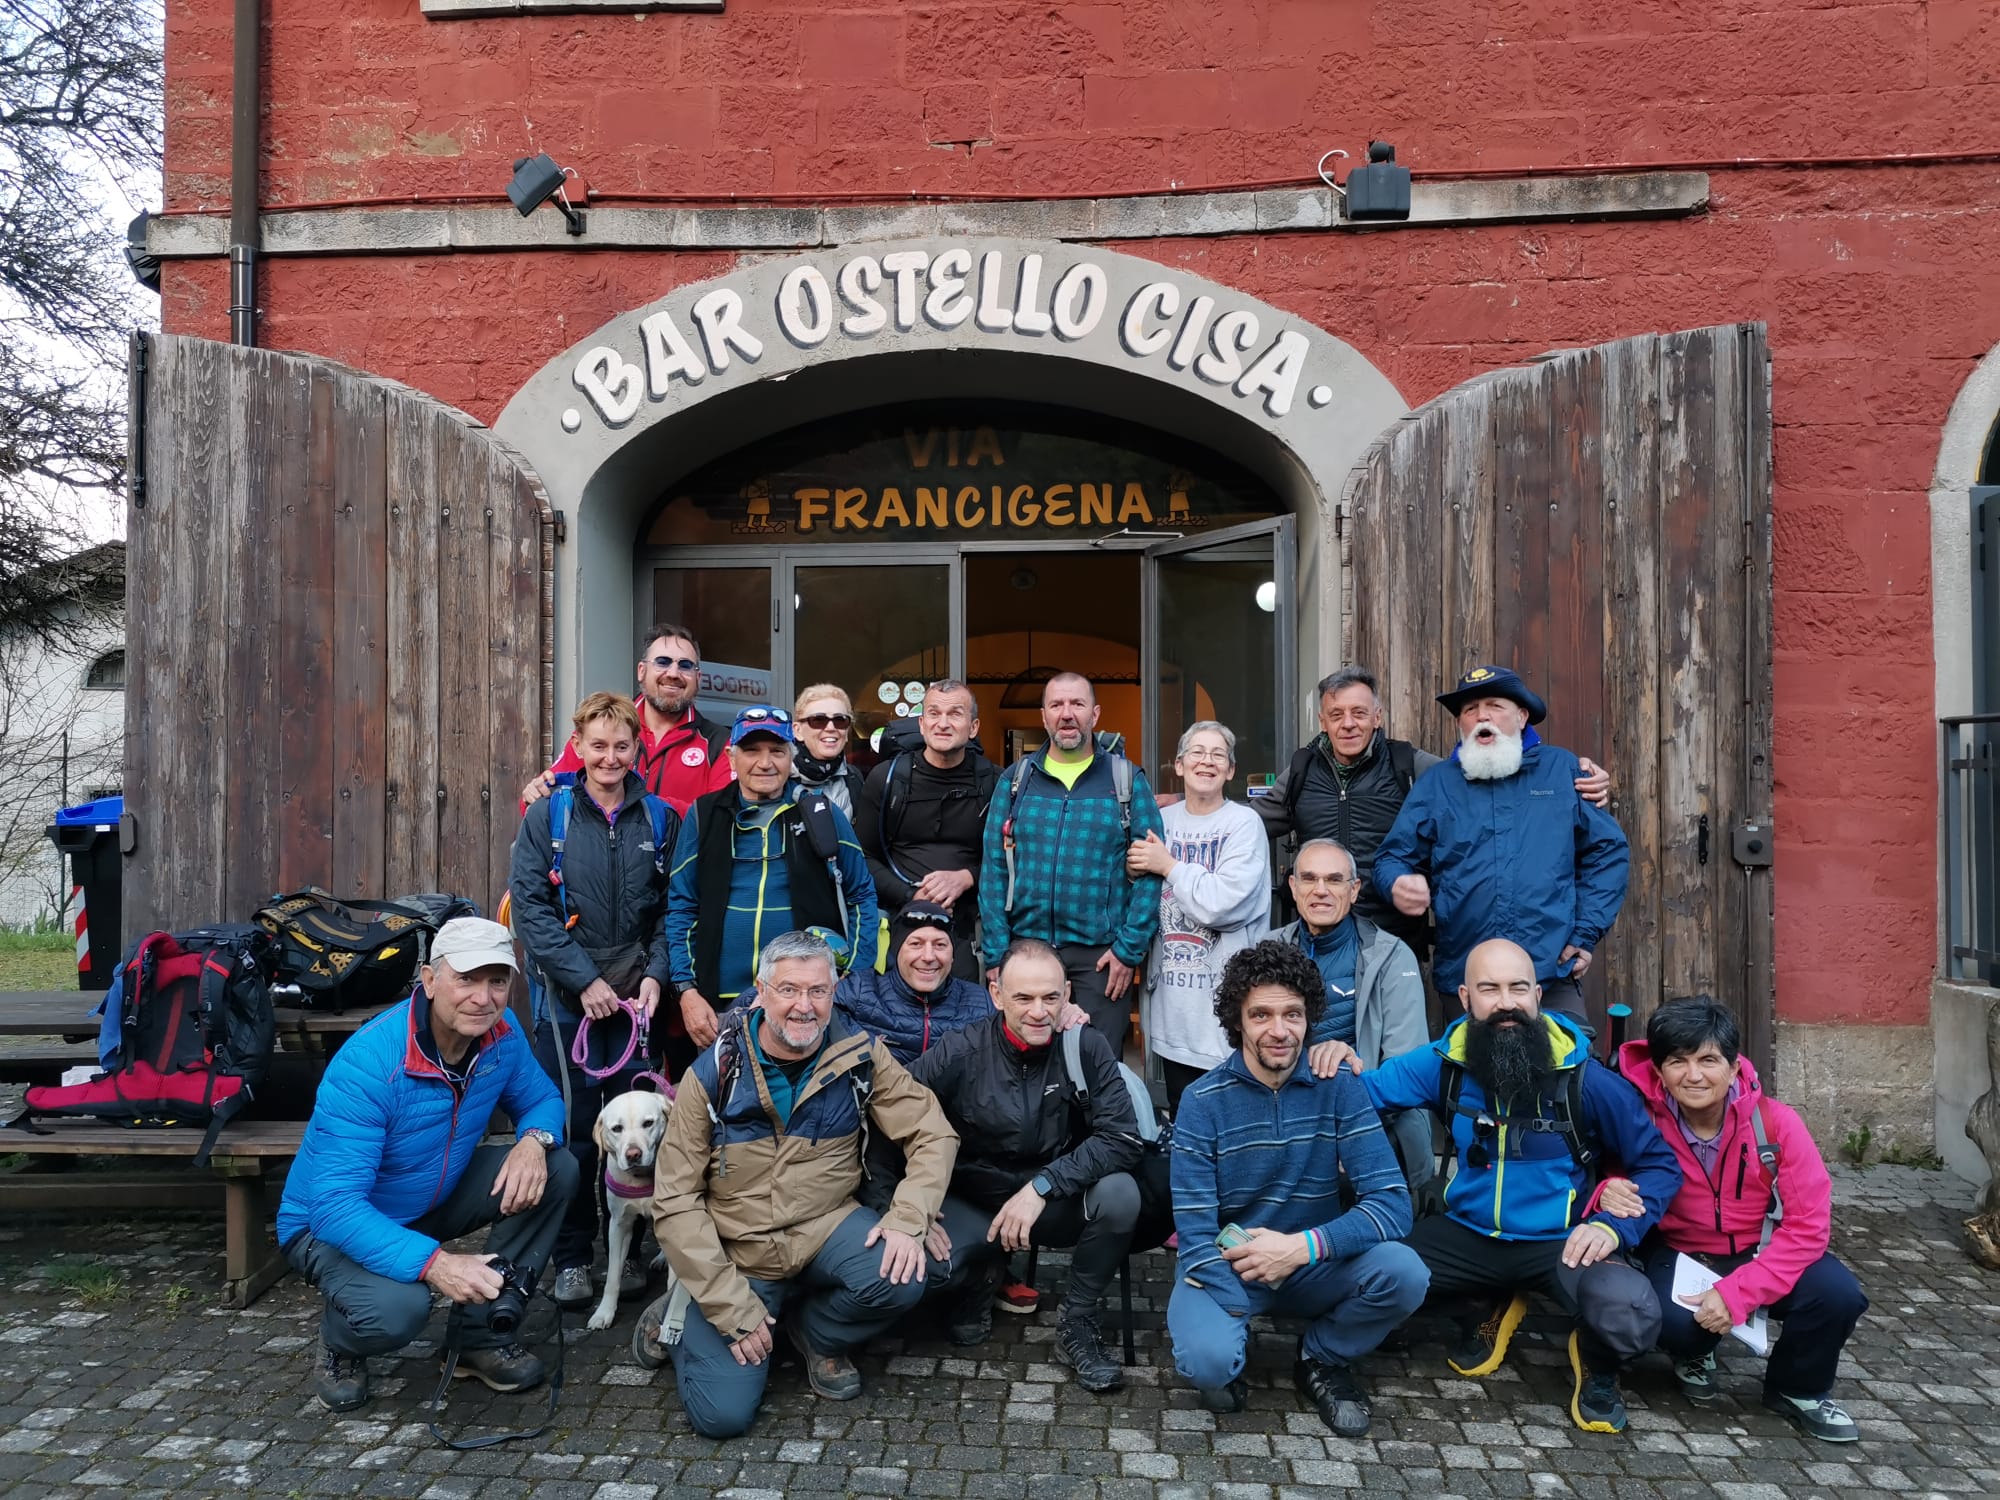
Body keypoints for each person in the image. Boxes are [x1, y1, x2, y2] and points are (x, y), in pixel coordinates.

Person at [1339, 937, 1681, 1434]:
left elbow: (1660, 1166)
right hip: (1466, 1234)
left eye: (1518, 989)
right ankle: (1486, 1304)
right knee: (1363, 1275)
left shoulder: (1587, 1079)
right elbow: (1357, 1098)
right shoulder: (1442, 1065)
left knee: (1629, 1311)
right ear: (1465, 998)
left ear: (1538, 996)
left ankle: (1597, 1362)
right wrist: (1328, 1058)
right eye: (1489, 989)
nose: (1506, 1003)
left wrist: (1612, 1228)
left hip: (1561, 1241)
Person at [637, 930, 958, 1438]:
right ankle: (685, 1308)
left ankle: (815, 1332)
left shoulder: (861, 1054)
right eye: (788, 990)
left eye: (818, 991)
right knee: (722, 1416)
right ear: (761, 992)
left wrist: (907, 1218)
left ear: (835, 993)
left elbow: (932, 1132)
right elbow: (675, 1201)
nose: (803, 1006)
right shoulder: (714, 1072)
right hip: (738, 1253)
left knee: (909, 1271)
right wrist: (727, 1303)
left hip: (825, 1229)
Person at [276, 918, 577, 1413]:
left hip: (428, 1195)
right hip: (325, 1226)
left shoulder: (502, 1034)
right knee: (398, 1311)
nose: (484, 998)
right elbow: (333, 1206)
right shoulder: (370, 1063)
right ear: (430, 979)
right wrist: (437, 1265)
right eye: (467, 979)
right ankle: (340, 1342)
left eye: (497, 981)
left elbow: (541, 1098)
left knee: (556, 1167)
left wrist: (533, 1141)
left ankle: (478, 1339)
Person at [1168, 940, 1430, 1437]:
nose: (1279, 1030)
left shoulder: (1339, 1086)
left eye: (1293, 1014)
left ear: (1310, 1017)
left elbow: (1393, 1205)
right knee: (1209, 1363)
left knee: (1406, 1272)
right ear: (1237, 1021)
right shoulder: (1202, 1102)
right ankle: (1231, 1343)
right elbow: (1196, 1235)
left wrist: (1300, 1248)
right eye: (1261, 1015)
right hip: (1235, 1265)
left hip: (1315, 1261)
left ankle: (1321, 1355)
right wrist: (1238, 1300)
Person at [1593, 996, 1866, 1442]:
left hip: (1759, 1252)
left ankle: (1798, 1388)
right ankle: (1694, 1352)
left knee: (1836, 1294)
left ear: (1735, 1066)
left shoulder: (1776, 1126)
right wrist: (1607, 1192)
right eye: (1677, 1061)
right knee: (1670, 1323)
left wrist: (1737, 1293)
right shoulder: (1640, 1118)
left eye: (1708, 1060)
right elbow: (1602, 1175)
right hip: (1678, 1253)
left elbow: (1808, 1227)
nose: (1694, 1074)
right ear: (1659, 1072)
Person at [892, 938, 1146, 1392]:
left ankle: (1078, 1324)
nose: (1038, 1011)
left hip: (1048, 1198)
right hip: (972, 1199)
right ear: (996, 996)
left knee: (1121, 1194)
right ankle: (979, 1275)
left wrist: (1042, 1187)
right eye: (1023, 998)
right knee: (926, 1276)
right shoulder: (960, 1051)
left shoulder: (1084, 1046)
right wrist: (906, 1208)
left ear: (1068, 993)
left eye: (1050, 997)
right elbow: (892, 1115)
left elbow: (1122, 1138)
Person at [1255, 665, 1610, 964]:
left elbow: (1485, 780)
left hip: (1390, 943)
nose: (1348, 724)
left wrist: (1571, 778)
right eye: (1336, 714)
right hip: (1318, 939)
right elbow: (1250, 824)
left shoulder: (1410, 765)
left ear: (1378, 717)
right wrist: (1203, 811)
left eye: (1359, 713)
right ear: (1322, 720)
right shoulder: (1301, 771)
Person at [509, 692, 679, 1310]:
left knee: (640, 1131)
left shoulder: (661, 820)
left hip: (638, 1005)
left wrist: (657, 975)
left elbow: (669, 911)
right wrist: (584, 982)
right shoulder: (547, 818)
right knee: (579, 1133)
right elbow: (530, 909)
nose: (610, 757)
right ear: (577, 747)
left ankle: (628, 1255)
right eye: (597, 745)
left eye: (622, 746)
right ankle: (574, 1258)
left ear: (639, 749)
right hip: (567, 1004)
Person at [1374, 666, 1629, 1021]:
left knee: (1569, 1070)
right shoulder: (1438, 784)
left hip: (1550, 973)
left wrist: (1585, 932)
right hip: (1466, 980)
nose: (1482, 716)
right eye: (1469, 709)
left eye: (1494, 705)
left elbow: (1608, 853)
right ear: (1461, 725)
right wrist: (1398, 882)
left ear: (1522, 717)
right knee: (1469, 1074)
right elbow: (1391, 858)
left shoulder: (1562, 770)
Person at [663, 705, 877, 1054]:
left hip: (803, 1004)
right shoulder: (704, 815)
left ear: (791, 757)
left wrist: (852, 977)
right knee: (725, 1103)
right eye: (752, 751)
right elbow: (681, 907)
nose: (765, 763)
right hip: (718, 1005)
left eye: (777, 751)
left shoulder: (820, 813)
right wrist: (686, 991)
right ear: (731, 758)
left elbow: (861, 896)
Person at [977, 671, 1165, 1052]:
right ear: (1044, 716)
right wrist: (998, 952)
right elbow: (993, 869)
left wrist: (1129, 949)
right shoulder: (1016, 781)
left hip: (1100, 959)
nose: (1067, 714)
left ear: (1094, 714)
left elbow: (1150, 873)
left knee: (1096, 1069)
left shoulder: (1126, 781)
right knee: (1024, 1065)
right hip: (1025, 951)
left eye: (1077, 704)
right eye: (1056, 705)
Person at [1265, 838, 1431, 1186]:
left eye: (1334, 880)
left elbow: (1406, 1073)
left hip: (1368, 1117)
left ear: (1354, 890)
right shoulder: (1268, 952)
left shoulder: (1390, 956)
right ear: (1293, 888)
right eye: (1309, 879)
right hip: (1283, 1117)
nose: (1321, 890)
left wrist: (1344, 1131)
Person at [1128, 720, 1270, 1112]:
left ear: (1230, 771)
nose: (1206, 762)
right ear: (1178, 765)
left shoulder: (1244, 824)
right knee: (1183, 1120)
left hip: (1226, 1016)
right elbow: (1135, 889)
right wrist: (1133, 868)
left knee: (1233, 1121)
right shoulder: (1162, 823)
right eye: (1197, 752)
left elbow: (1223, 904)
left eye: (1217, 755)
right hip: (1174, 1013)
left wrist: (1167, 865)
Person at [855, 678, 999, 981]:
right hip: (900, 925)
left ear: (973, 727)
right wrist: (912, 894)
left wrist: (967, 877)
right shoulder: (887, 778)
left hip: (969, 932)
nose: (942, 724)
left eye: (955, 714)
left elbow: (1012, 860)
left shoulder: (994, 783)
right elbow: (863, 857)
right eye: (934, 714)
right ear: (921, 724)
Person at [521, 623, 733, 815]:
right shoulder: (601, 726)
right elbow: (537, 804)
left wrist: (644, 808)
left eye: (685, 665)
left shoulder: (718, 743)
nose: (673, 673)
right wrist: (535, 793)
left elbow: (718, 821)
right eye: (662, 662)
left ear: (698, 678)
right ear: (641, 671)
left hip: (679, 858)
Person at [834, 900, 994, 1064]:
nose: (928, 957)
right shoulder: (860, 990)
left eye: (940, 945)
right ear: (897, 951)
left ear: (952, 955)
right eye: (916, 944)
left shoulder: (980, 1002)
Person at [793, 683, 863, 818]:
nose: (831, 728)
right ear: (798, 730)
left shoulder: (854, 778)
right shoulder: (778, 779)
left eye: (840, 720)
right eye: (818, 720)